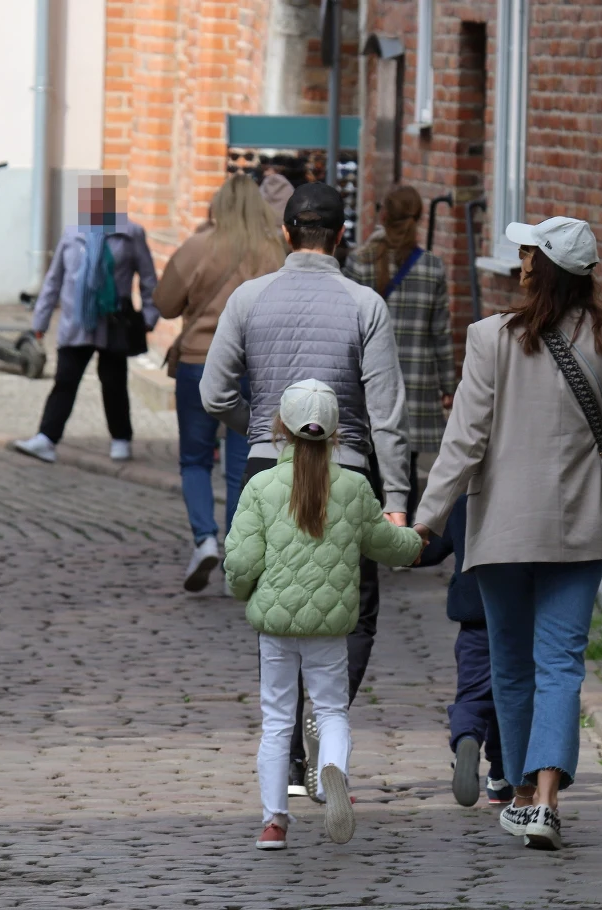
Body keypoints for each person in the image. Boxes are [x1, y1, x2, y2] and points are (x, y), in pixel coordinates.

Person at [415, 215, 602, 851]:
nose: (519, 265)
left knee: (511, 665)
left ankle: (521, 793)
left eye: (526, 255)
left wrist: (428, 519)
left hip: (501, 529)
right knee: (561, 665)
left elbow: (463, 440)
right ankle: (546, 798)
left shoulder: (491, 337)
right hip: (584, 528)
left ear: (536, 269)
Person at [201, 180, 412, 798]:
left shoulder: (248, 300)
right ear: (342, 236)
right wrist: (396, 502)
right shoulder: (365, 304)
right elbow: (388, 414)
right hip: (347, 469)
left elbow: (214, 394)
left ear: (286, 233)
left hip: (267, 468)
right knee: (356, 609)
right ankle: (327, 727)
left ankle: (289, 755)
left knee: (277, 603)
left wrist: (267, 428)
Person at [225, 379, 424, 850]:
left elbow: (240, 561)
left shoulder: (261, 486)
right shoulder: (355, 488)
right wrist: (416, 542)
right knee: (331, 709)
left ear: (281, 429)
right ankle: (332, 770)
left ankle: (274, 821)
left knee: (277, 720)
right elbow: (386, 544)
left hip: (275, 625)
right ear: (337, 434)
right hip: (330, 628)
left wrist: (242, 592)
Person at [155, 177, 286, 593]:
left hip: (199, 362)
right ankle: (237, 559)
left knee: (194, 460)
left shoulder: (199, 245)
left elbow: (164, 303)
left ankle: (204, 538)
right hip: (253, 368)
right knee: (241, 466)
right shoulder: (275, 251)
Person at [15, 174, 159, 465]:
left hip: (113, 324)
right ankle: (46, 437)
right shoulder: (73, 235)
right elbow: (54, 280)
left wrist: (149, 314)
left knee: (113, 382)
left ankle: (121, 438)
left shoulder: (130, 234)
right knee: (65, 380)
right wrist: (40, 322)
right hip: (76, 321)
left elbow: (148, 278)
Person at [344, 185, 455, 521]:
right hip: (416, 383)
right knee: (406, 461)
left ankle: (370, 539)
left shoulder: (358, 263)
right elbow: (441, 334)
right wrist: (449, 385)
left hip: (369, 380)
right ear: (419, 218)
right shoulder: (432, 268)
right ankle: (399, 532)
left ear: (382, 216)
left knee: (370, 459)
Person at [417, 494, 513, 808]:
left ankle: (468, 738)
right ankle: (500, 776)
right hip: (520, 610)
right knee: (512, 690)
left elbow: (428, 552)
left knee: (474, 691)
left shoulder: (462, 497)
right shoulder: (523, 491)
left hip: (475, 610)